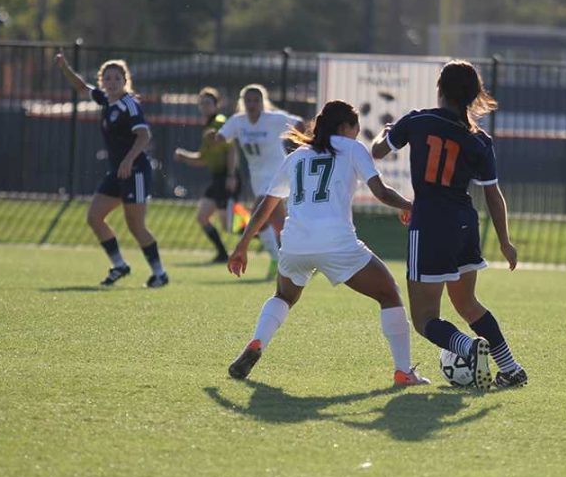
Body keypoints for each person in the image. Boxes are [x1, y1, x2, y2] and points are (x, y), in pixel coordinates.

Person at [226, 100, 429, 386]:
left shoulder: (297, 156)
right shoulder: (353, 148)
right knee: (389, 294)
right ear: (346, 126)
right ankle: (403, 372)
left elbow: (266, 204)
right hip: (337, 244)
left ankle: (257, 342)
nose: (357, 133)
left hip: (294, 244)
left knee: (283, 297)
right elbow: (381, 192)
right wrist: (410, 205)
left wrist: (242, 246)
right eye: (356, 127)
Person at [371, 60, 528, 389]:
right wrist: (504, 242)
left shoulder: (418, 120)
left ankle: (470, 350)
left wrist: (386, 132)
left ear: (439, 88)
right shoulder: (480, 140)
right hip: (464, 224)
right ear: (472, 96)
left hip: (430, 223)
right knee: (468, 304)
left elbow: (378, 151)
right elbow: (493, 194)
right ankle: (510, 368)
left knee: (424, 318)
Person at [54, 53, 168, 288]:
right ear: (102, 81)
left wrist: (128, 160)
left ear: (125, 80)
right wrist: (64, 67)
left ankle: (160, 273)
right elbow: (80, 86)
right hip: (119, 171)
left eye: (117, 77)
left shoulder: (129, 104)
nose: (112, 81)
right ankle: (119, 265)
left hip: (135, 170)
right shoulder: (106, 100)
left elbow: (144, 135)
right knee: (94, 217)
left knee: (135, 225)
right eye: (108, 78)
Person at [216, 84, 303, 280]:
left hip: (278, 175)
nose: (252, 104)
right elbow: (221, 136)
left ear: (263, 102)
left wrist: (303, 144)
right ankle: (300, 258)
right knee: (277, 224)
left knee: (258, 215)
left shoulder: (274, 119)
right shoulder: (238, 121)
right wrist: (214, 139)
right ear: (242, 102)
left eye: (256, 100)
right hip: (258, 179)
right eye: (248, 100)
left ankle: (281, 260)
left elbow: (299, 124)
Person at [174, 87, 240, 263]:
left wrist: (231, 175)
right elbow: (202, 159)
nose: (204, 106)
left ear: (217, 105)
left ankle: (265, 234)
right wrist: (184, 156)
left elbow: (232, 149)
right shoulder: (208, 126)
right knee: (203, 217)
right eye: (202, 103)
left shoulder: (219, 122)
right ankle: (222, 254)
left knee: (229, 225)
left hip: (226, 176)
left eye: (208, 103)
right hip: (217, 178)